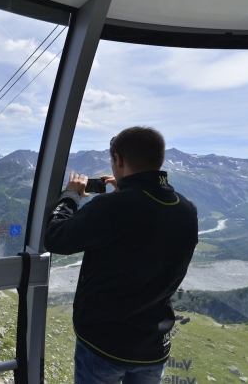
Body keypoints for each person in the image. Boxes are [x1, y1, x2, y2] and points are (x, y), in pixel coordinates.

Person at [45, 126, 198, 384]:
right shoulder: (186, 209)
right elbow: (146, 235)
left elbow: (55, 237)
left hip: (104, 344)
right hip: (152, 346)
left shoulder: (110, 208)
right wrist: (124, 193)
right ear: (158, 160)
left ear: (119, 160)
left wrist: (71, 196)